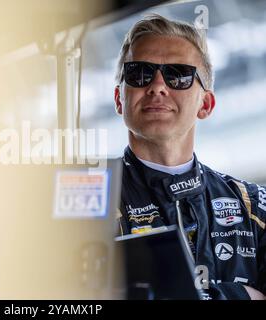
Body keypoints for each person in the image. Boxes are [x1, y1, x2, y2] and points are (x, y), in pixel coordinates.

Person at [113, 14, 266, 300]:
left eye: (178, 75)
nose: (157, 86)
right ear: (120, 99)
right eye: (139, 73)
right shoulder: (88, 206)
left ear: (205, 104)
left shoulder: (254, 207)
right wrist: (242, 296)